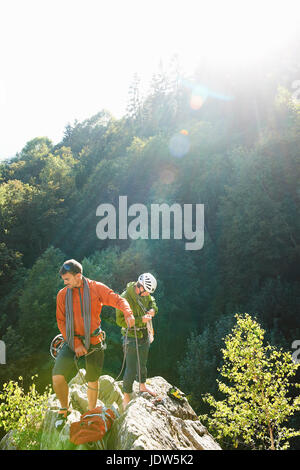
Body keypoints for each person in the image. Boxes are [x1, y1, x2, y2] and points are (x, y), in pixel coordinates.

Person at [52, 259, 135, 428]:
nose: (64, 282)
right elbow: (61, 321)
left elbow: (117, 299)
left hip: (94, 341)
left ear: (78, 276)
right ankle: (64, 408)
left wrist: (128, 313)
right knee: (57, 375)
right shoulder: (62, 295)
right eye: (64, 279)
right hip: (71, 340)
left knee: (92, 378)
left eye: (67, 279)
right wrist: (75, 344)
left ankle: (91, 412)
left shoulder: (96, 288)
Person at [115, 273, 158, 409]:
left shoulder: (145, 294)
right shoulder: (124, 298)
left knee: (143, 363)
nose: (147, 295)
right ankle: (126, 396)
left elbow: (153, 302)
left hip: (144, 334)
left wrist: (152, 310)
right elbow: (120, 321)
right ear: (140, 287)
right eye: (146, 292)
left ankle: (142, 385)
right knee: (131, 368)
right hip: (131, 337)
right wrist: (141, 320)